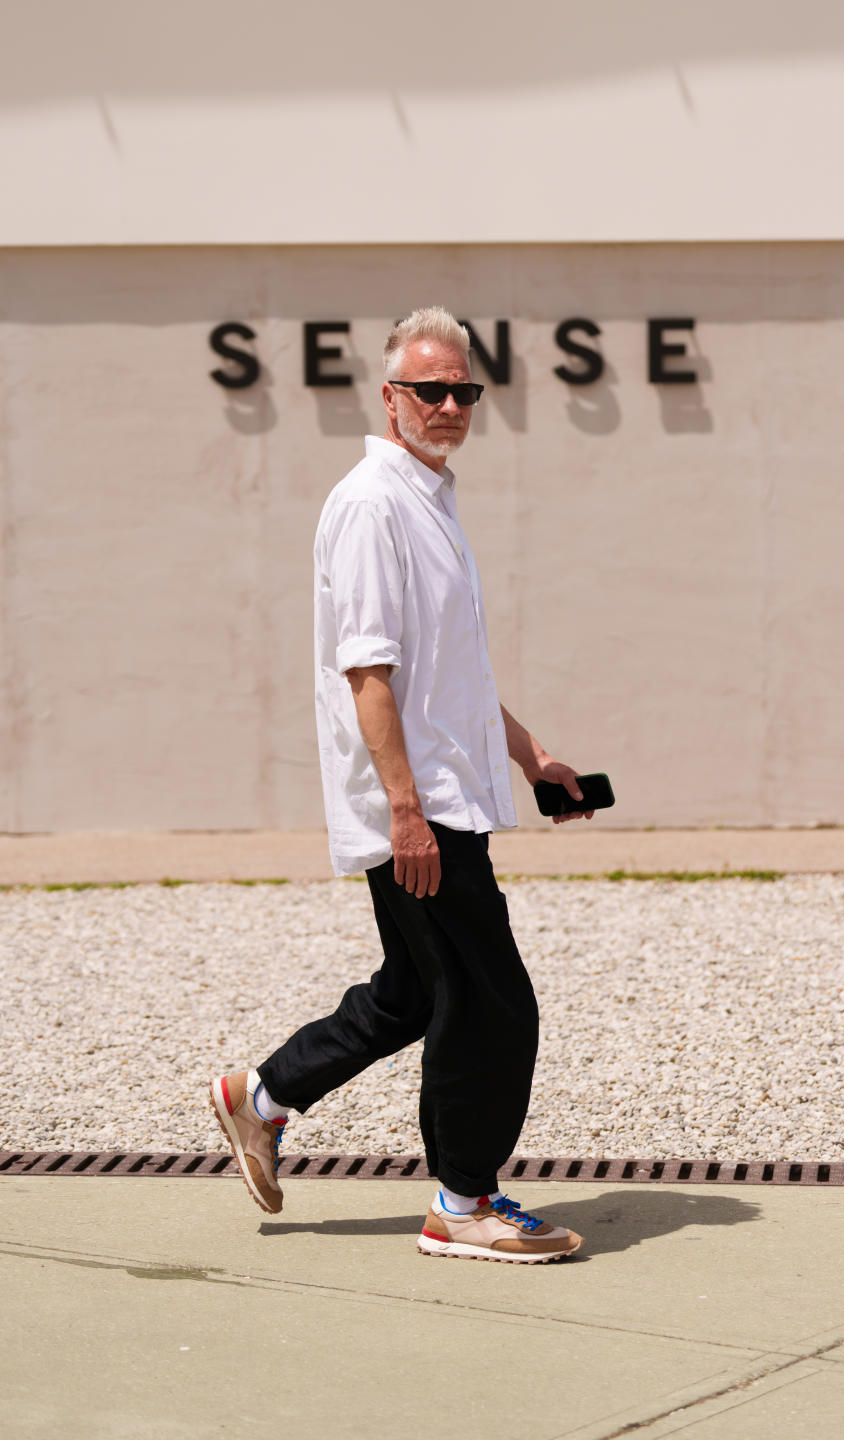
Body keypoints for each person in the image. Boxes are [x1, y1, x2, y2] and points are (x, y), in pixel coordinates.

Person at [210, 306, 595, 1264]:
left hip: (448, 795)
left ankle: (259, 1097)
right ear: (390, 397)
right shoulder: (374, 504)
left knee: (418, 991)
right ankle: (461, 1204)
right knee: (493, 1003)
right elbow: (369, 674)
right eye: (430, 389)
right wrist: (407, 813)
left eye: (464, 390)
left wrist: (531, 755)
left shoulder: (432, 497)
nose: (451, 404)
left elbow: (451, 677)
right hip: (422, 812)